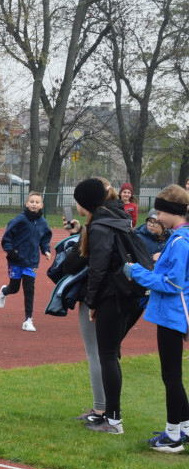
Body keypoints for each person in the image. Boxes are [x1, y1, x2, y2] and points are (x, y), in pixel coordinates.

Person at [74, 177, 142, 435]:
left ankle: (112, 421)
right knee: (110, 354)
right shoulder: (116, 219)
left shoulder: (100, 226)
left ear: (85, 202)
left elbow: (98, 268)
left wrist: (92, 302)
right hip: (124, 293)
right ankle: (109, 416)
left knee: (108, 356)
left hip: (112, 296)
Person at [126, 185, 189, 452]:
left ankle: (173, 437)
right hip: (173, 313)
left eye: (161, 211)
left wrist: (136, 272)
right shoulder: (179, 238)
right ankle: (183, 429)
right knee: (173, 376)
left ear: (173, 212)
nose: (157, 217)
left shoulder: (179, 241)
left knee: (171, 376)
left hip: (173, 315)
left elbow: (173, 283)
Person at [0, 192, 52, 332]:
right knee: (14, 288)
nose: (34, 204)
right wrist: (10, 250)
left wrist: (46, 250)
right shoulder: (19, 220)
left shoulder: (43, 223)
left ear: (41, 205)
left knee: (29, 289)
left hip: (31, 262)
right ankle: (4, 291)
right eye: (31, 201)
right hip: (16, 260)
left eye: (37, 202)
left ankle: (28, 319)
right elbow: (7, 236)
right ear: (26, 203)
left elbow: (45, 238)